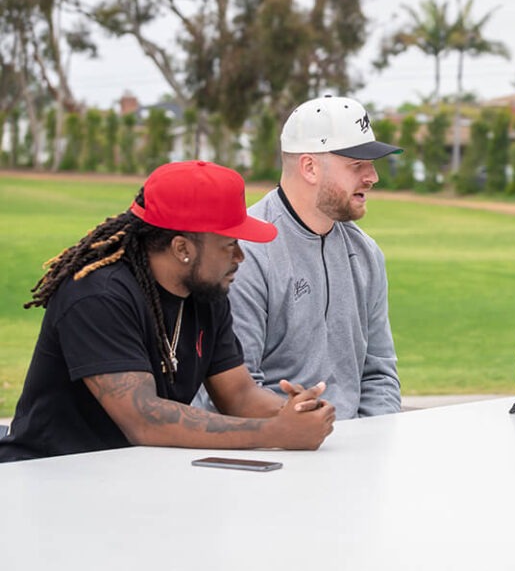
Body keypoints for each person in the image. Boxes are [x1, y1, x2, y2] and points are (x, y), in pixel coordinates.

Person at [0, 161, 335, 463]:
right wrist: (275, 433)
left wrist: (295, 412)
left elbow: (239, 394)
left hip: (138, 478)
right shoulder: (98, 296)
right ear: (182, 248)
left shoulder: (206, 294)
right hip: (49, 478)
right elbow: (143, 421)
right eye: (229, 244)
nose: (240, 257)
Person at [193, 95, 401, 419]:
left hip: (353, 449)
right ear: (309, 167)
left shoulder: (366, 254)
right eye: (357, 165)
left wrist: (367, 439)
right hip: (269, 450)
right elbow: (232, 391)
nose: (373, 177)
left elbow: (379, 374)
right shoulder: (242, 254)